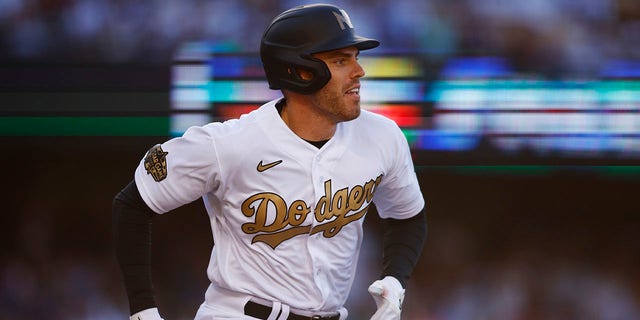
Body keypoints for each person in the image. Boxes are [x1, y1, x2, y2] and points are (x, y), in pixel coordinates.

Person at [113, 3, 426, 320]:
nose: (359, 71)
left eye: (356, 59)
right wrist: (143, 310)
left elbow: (408, 217)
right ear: (302, 71)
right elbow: (133, 204)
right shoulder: (231, 143)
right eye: (341, 60)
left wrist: (395, 280)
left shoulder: (382, 136)